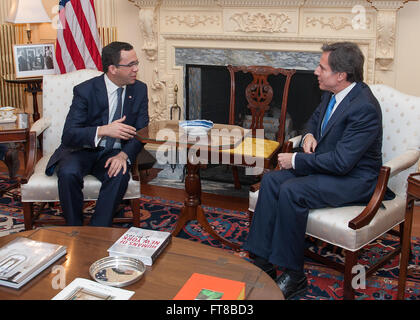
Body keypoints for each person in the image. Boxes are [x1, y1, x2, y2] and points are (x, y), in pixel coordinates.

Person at [242, 42, 394, 299]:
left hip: (354, 179)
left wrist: (297, 161)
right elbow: (313, 119)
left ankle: (294, 276)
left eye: (321, 67)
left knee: (291, 190)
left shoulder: (364, 107)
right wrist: (310, 133)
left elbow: (343, 162)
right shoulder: (332, 93)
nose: (315, 72)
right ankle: (262, 260)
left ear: (341, 75)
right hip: (329, 168)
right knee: (271, 182)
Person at [45, 41, 149, 226]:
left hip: (113, 152)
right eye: (130, 65)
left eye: (136, 63)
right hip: (81, 150)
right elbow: (69, 134)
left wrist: (123, 155)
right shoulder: (85, 90)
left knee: (119, 173)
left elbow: (142, 130)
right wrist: (103, 130)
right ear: (112, 69)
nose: (136, 69)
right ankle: (74, 228)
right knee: (68, 173)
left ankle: (98, 229)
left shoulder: (139, 90)